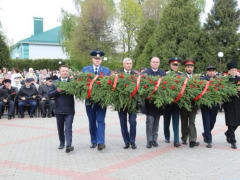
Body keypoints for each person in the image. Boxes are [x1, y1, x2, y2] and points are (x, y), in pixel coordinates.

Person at [82, 50, 111, 151]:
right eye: (95, 58)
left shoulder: (106, 70)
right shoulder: (85, 70)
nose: (97, 60)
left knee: (101, 121)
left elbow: (109, 84)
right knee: (92, 122)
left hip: (102, 101)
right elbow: (82, 84)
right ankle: (93, 141)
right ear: (92, 59)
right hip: (89, 101)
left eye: (99, 59)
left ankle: (101, 142)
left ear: (101, 60)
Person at [48, 65, 75, 153]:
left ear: (68, 72)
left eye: (66, 71)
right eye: (63, 71)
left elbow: (77, 92)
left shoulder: (72, 82)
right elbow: (49, 94)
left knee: (68, 128)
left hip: (69, 109)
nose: (65, 72)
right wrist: (57, 91)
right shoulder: (55, 82)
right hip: (58, 109)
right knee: (60, 128)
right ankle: (62, 143)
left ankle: (68, 145)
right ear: (59, 72)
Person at [142, 57, 166, 148]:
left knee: (156, 122)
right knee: (149, 122)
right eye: (154, 62)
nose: (155, 63)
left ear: (159, 63)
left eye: (157, 62)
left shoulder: (162, 73)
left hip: (158, 103)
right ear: (150, 63)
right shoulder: (146, 73)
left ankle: (155, 140)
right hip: (149, 103)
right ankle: (149, 140)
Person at [117, 57, 137, 149]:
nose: (129, 65)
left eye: (130, 63)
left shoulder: (136, 74)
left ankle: (132, 141)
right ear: (123, 64)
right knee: (123, 123)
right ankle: (126, 142)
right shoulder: (118, 74)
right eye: (127, 63)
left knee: (133, 122)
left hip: (133, 104)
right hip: (121, 104)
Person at [180, 59, 200, 148]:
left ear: (193, 68)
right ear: (185, 68)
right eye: (188, 67)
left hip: (193, 104)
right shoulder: (181, 76)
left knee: (192, 122)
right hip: (183, 104)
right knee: (184, 121)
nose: (189, 68)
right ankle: (184, 138)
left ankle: (192, 140)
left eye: (191, 67)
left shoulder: (197, 77)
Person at [164, 57, 183, 147]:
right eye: (173, 65)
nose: (175, 66)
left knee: (176, 122)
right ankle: (167, 136)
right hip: (167, 103)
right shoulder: (166, 74)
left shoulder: (181, 75)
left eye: (177, 65)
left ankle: (176, 140)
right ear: (170, 65)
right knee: (166, 121)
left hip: (176, 102)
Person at [200, 65, 219, 148]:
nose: (211, 72)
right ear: (207, 72)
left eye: (213, 71)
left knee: (212, 121)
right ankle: (209, 140)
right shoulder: (202, 79)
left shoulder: (219, 80)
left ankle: (205, 133)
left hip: (215, 104)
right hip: (205, 105)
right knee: (206, 121)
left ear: (215, 72)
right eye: (210, 71)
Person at [223, 61, 240, 149]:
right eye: (232, 70)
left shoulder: (239, 78)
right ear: (229, 71)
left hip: (238, 104)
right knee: (230, 122)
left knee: (237, 122)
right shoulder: (225, 80)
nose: (234, 71)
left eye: (235, 69)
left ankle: (228, 133)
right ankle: (233, 141)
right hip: (228, 104)